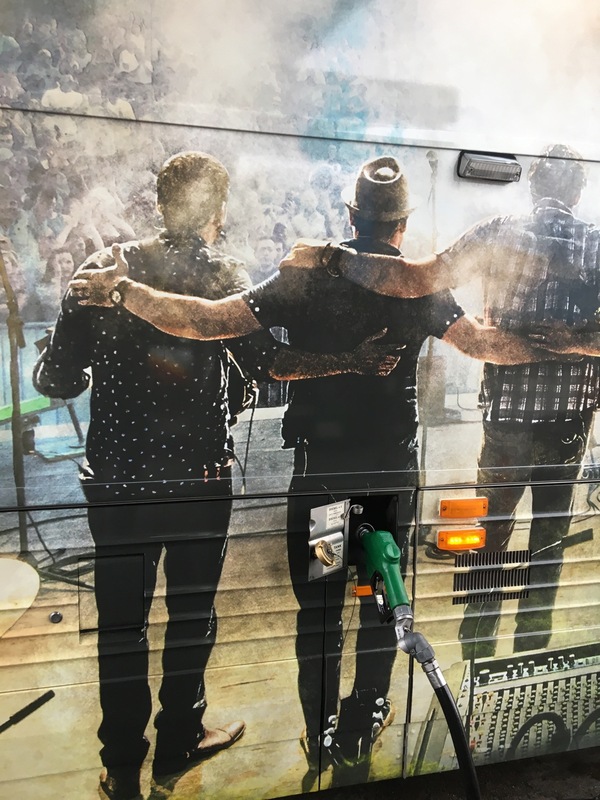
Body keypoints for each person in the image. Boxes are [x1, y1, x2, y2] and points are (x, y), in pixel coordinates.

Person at [69, 155, 558, 787]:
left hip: (323, 479)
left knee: (321, 607)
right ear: (402, 224)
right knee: (381, 596)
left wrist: (126, 292)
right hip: (386, 482)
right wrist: (574, 343)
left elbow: (209, 322)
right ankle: (364, 718)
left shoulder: (303, 275)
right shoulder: (415, 286)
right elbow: (486, 345)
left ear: (352, 215)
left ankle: (319, 728)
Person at [34, 151, 401, 800]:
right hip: (197, 480)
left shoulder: (101, 271)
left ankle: (122, 765)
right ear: (218, 211)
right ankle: (181, 735)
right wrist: (352, 359)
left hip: (117, 479)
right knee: (190, 615)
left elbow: (56, 380)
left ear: (160, 203)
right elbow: (273, 366)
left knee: (120, 626)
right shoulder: (222, 276)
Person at [284, 145, 600, 659]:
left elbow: (415, 279)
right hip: (560, 426)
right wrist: (570, 344)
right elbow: (460, 323)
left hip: (490, 427)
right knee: (545, 543)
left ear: (534, 185)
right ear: (579, 190)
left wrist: (332, 258)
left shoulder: (498, 232)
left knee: (485, 539)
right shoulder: (597, 244)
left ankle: (475, 651)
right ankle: (528, 658)